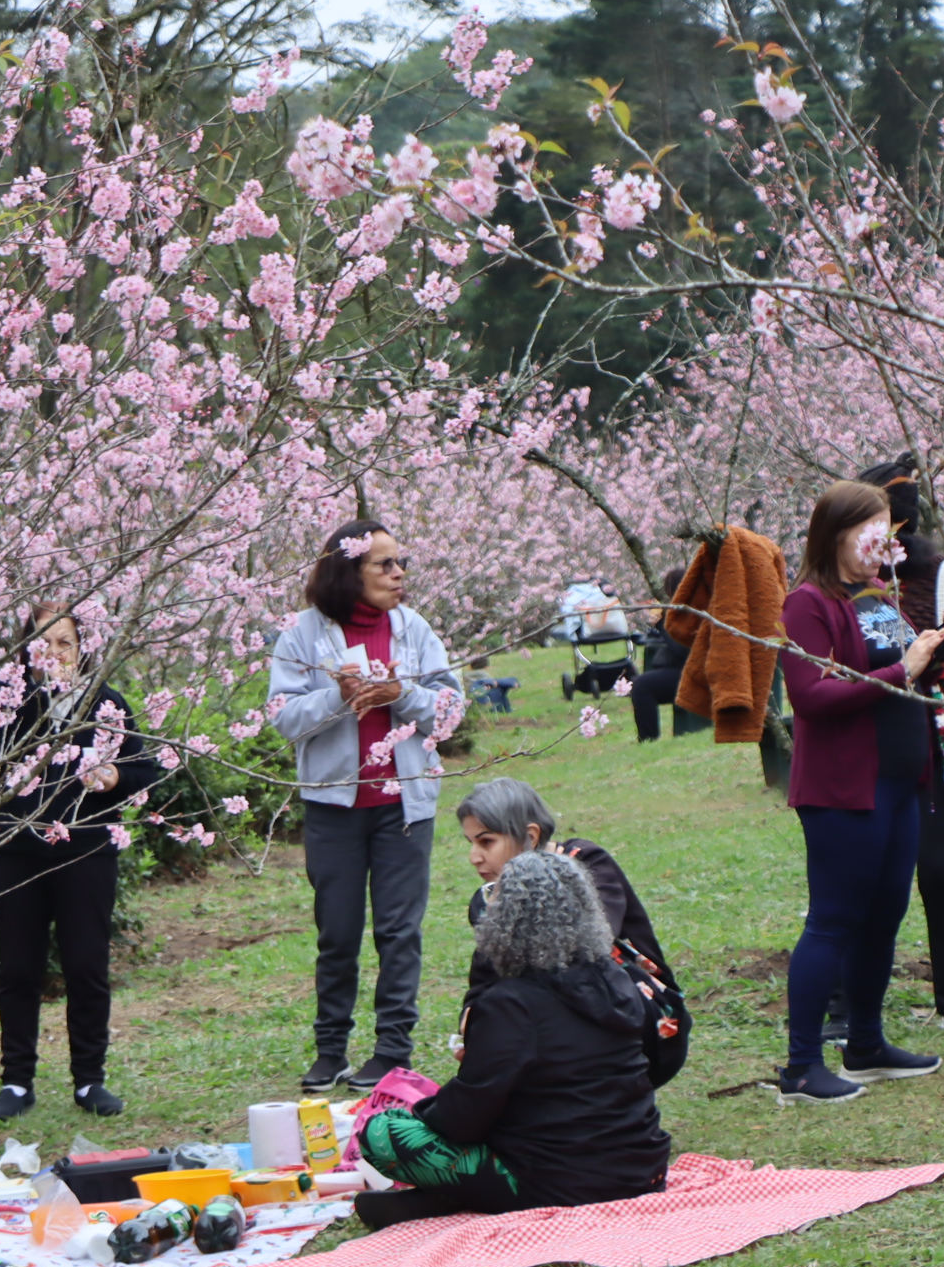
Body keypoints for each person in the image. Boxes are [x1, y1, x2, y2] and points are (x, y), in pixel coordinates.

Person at [351, 851, 672, 1230]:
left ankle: (454, 1196)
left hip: (562, 1181)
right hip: (643, 1171)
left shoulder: (510, 1004)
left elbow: (467, 1116)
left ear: (507, 921)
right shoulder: (619, 981)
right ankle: (443, 1197)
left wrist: (421, 1113)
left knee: (382, 1131)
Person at [271, 519, 461, 1094]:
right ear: (348, 570)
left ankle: (391, 1052)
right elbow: (282, 715)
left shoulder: (413, 629)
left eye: (401, 562)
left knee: (400, 932)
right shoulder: (303, 634)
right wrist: (338, 695)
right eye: (384, 564)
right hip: (334, 807)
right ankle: (330, 1052)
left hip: (405, 804)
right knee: (338, 932)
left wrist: (405, 694)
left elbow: (452, 711)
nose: (399, 573)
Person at [773, 481, 944, 1103]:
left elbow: (902, 668)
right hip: (847, 788)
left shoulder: (880, 595)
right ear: (838, 533)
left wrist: (937, 656)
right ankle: (799, 1068)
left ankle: (866, 1044)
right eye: (870, 530)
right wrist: (904, 669)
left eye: (888, 532)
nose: (883, 542)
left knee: (883, 917)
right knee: (834, 922)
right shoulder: (807, 603)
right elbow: (812, 697)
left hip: (901, 783)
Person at [817, 457, 944, 1043]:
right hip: (867, 743)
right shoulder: (836, 590)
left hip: (930, 736)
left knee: (938, 869)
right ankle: (845, 1006)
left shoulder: (941, 572)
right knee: (860, 874)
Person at [0, 602, 160, 1121]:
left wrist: (114, 779)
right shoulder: (11, 697)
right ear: (26, 649)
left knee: (86, 965)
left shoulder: (106, 703)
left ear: (84, 650)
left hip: (85, 848)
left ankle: (89, 1080)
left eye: (65, 643)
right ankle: (16, 1081)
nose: (54, 654)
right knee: (18, 967)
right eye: (43, 643)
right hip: (17, 847)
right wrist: (36, 695)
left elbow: (144, 768)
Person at [455, 778, 675, 1005]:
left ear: (530, 837)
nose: (474, 858)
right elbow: (487, 976)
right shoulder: (488, 899)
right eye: (470, 843)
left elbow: (586, 947)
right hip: (545, 1011)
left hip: (627, 1001)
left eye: (487, 842)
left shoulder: (585, 865)